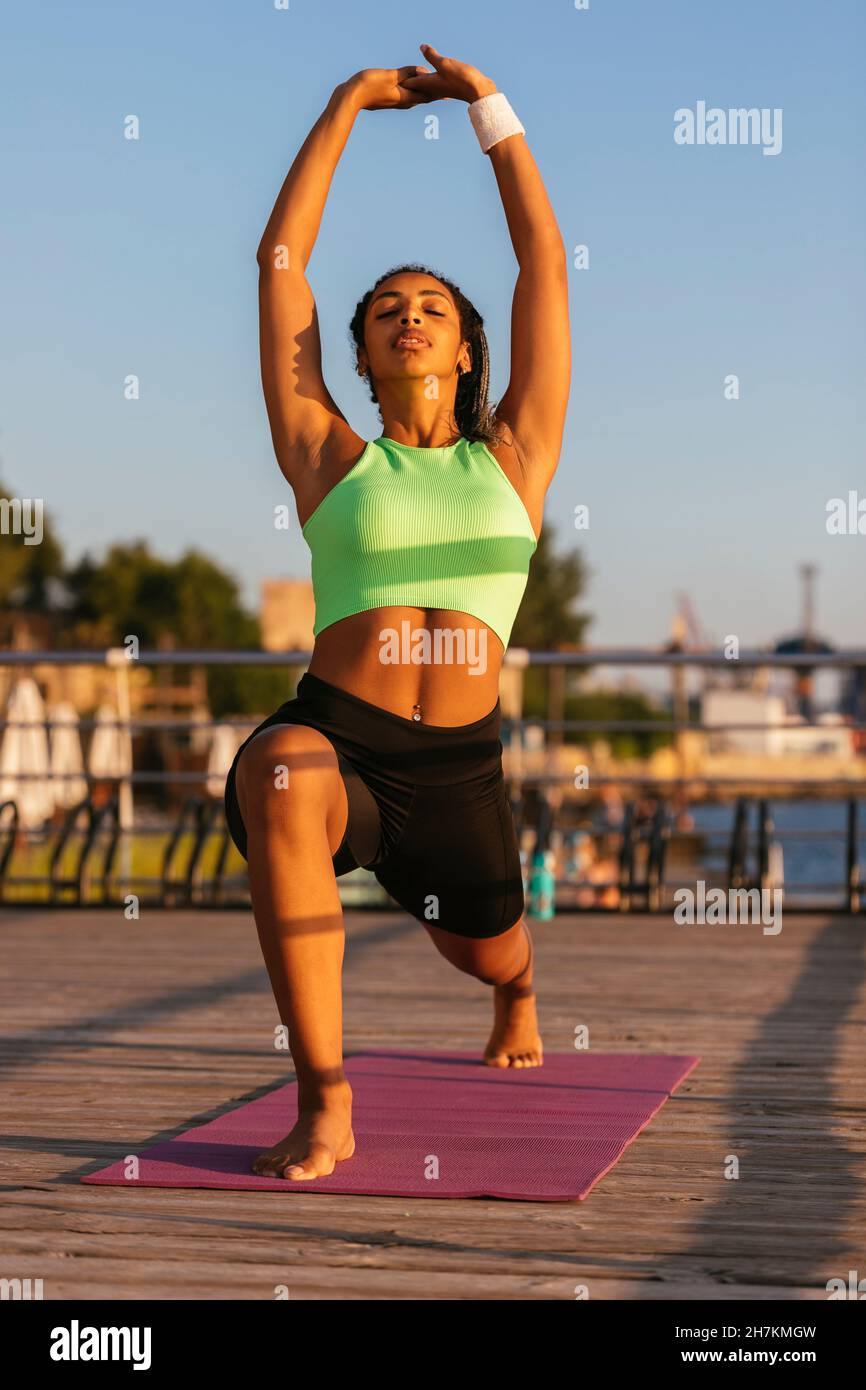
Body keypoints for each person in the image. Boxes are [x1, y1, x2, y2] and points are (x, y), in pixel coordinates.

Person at [224, 45, 570, 1180]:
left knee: (484, 948)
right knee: (277, 768)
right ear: (363, 358)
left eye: (428, 307)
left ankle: (516, 993)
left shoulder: (511, 459)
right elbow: (280, 264)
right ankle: (324, 1097)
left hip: (458, 767)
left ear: (467, 348)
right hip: (339, 732)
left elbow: (543, 267)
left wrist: (489, 109)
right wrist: (340, 108)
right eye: (383, 310)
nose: (405, 317)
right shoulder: (328, 456)